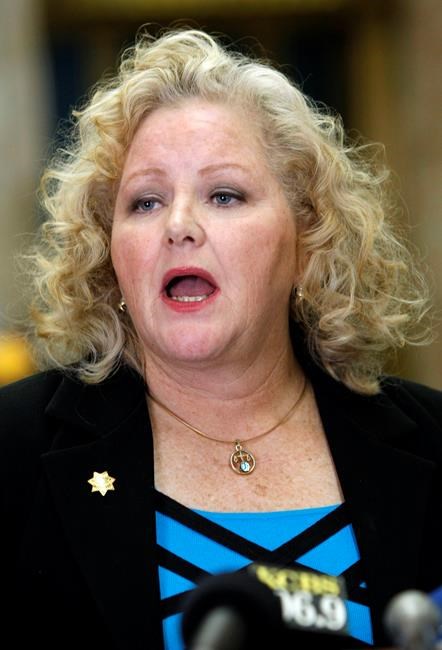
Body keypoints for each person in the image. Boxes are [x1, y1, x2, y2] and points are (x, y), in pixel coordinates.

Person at [1, 26, 441, 650]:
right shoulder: (14, 450)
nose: (178, 225)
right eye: (145, 202)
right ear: (109, 254)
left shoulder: (431, 443)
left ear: (307, 241)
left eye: (224, 195)